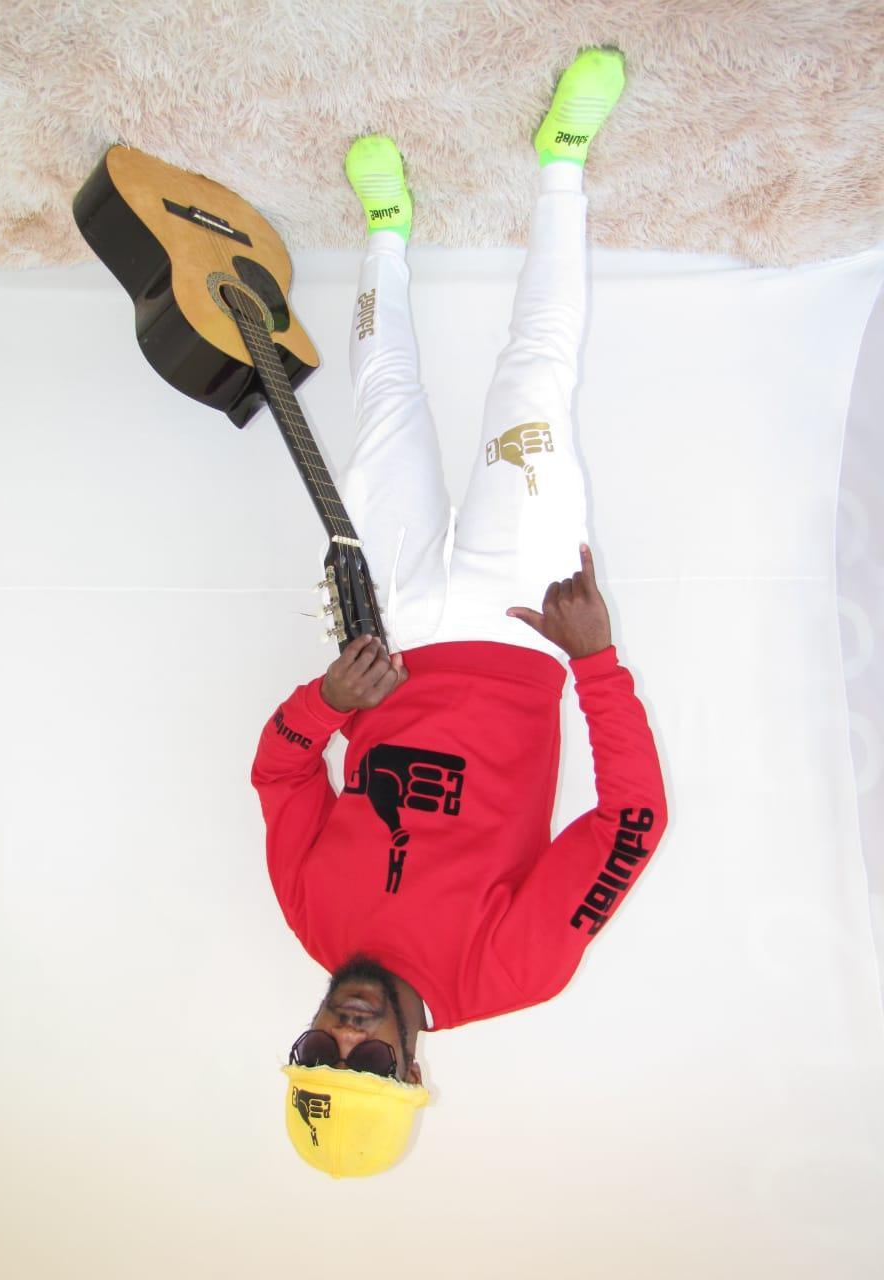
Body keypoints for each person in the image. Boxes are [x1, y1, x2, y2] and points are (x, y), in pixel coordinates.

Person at [251, 47, 667, 1179]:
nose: (346, 1031)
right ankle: (562, 164)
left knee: (385, 403)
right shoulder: (511, 972)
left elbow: (280, 775)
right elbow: (632, 821)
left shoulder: (310, 916)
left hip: (387, 624)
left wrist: (326, 701)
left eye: (317, 1051)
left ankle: (385, 230)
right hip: (523, 625)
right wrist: (596, 663)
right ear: (410, 1072)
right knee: (534, 381)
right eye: (367, 1062)